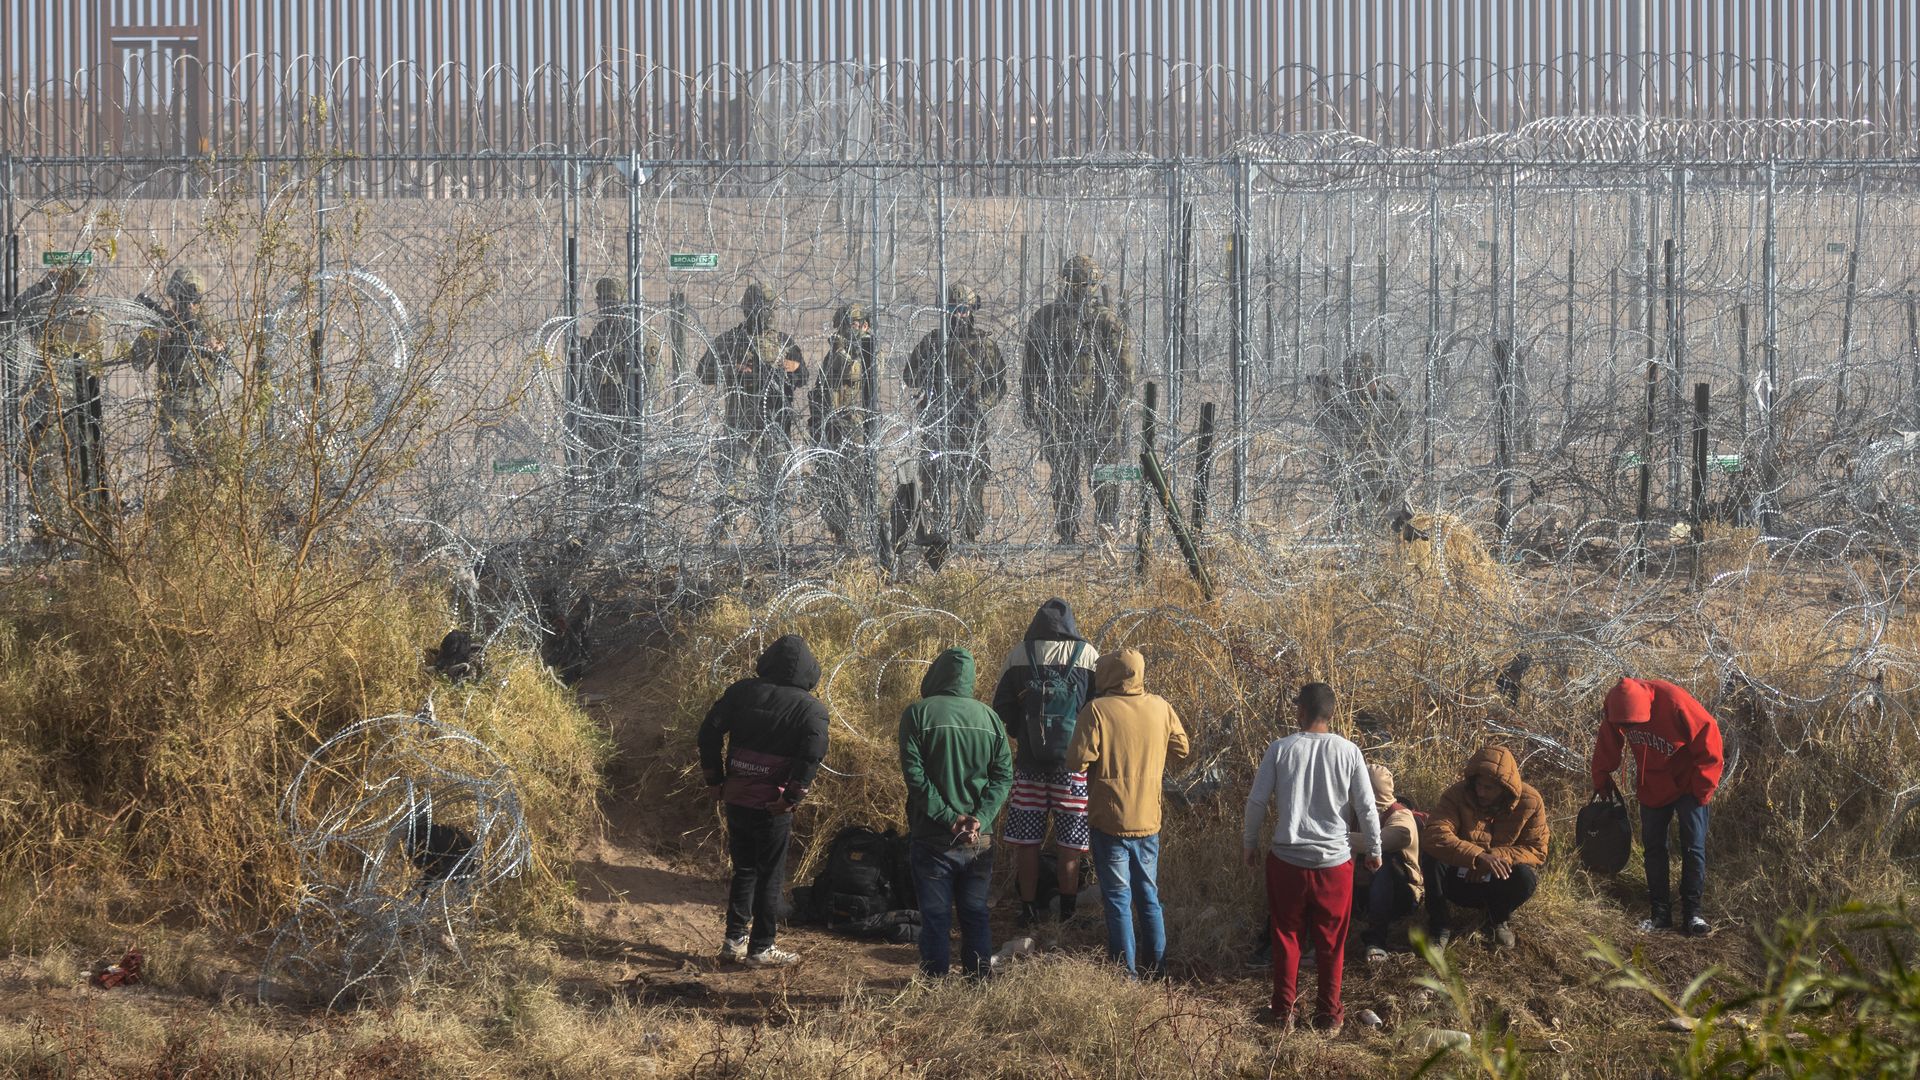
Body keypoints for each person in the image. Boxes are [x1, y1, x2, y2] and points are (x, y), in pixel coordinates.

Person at [1241, 682, 1380, 1033]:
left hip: (1286, 860)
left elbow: (1257, 801)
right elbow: (1366, 806)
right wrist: (1375, 849)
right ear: (1331, 714)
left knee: (1285, 936)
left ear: (1301, 711)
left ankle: (1283, 1012)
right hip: (1334, 864)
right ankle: (1328, 1017)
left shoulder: (1281, 749)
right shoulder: (1349, 751)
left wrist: (1250, 842)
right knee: (1331, 942)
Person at [696, 634, 830, 968]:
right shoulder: (811, 708)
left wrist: (714, 778)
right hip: (773, 803)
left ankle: (734, 940)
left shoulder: (742, 692)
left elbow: (708, 732)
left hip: (737, 795)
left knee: (744, 868)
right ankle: (762, 947)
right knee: (770, 873)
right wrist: (793, 796)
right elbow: (811, 754)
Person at [1064, 647, 1189, 976]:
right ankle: (1157, 969)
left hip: (1109, 820)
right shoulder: (1161, 707)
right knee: (1148, 895)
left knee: (1118, 898)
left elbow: (1077, 761)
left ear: (1108, 674)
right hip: (1148, 819)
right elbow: (1182, 748)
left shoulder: (1097, 710)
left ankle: (1127, 975)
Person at [898, 646, 1013, 979]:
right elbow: (1003, 775)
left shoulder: (918, 714)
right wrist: (981, 817)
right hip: (980, 837)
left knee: (935, 915)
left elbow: (915, 778)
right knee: (975, 912)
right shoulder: (990, 719)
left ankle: (934, 981)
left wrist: (950, 818)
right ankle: (978, 979)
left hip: (932, 836)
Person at [991, 597, 1100, 940]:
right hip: (1073, 766)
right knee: (1070, 841)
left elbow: (1002, 707)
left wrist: (1024, 735)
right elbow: (1098, 708)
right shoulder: (1088, 655)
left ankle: (1027, 910)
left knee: (1027, 840)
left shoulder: (1019, 653)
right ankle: (1066, 911)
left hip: (1029, 765)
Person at [1592, 676, 1725, 936]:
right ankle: (1660, 914)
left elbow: (1709, 739)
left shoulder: (1674, 701)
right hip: (1652, 783)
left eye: (1633, 724)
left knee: (1693, 846)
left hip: (1689, 784)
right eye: (1625, 725)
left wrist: (1703, 788)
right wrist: (1602, 775)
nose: (1628, 729)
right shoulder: (1616, 706)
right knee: (1653, 848)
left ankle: (1693, 914)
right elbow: (1608, 741)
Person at [1019, 255, 1135, 544]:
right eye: (1076, 283)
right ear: (1066, 282)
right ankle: (1067, 534)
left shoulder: (1106, 322)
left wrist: (1116, 410)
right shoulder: (1046, 320)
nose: (1082, 290)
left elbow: (1125, 373)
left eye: (1087, 284)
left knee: (1107, 476)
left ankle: (1107, 531)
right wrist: (1030, 406)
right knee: (1064, 477)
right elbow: (1030, 368)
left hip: (1101, 415)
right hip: (1061, 413)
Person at [905, 283, 1006, 544]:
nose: (959, 315)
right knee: (935, 481)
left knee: (971, 481)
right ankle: (939, 534)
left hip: (970, 425)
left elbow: (998, 385)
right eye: (953, 309)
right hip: (938, 423)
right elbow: (910, 376)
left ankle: (969, 535)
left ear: (972, 311)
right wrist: (930, 374)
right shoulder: (932, 342)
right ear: (945, 310)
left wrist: (981, 404)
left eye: (963, 310)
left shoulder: (984, 345)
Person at [1421, 745, 1549, 949]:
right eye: (1478, 785)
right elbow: (1435, 833)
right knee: (1432, 857)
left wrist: (1493, 858)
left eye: (1489, 788)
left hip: (1497, 880)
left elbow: (1537, 849)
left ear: (1505, 788)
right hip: (1457, 878)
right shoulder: (1456, 794)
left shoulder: (1530, 801)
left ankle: (1496, 919)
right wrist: (1476, 856)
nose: (1480, 792)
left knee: (1525, 877)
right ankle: (1439, 926)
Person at [697, 281, 806, 504]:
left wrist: (793, 368)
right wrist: (732, 370)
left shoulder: (784, 342)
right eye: (764, 308)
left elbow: (803, 376)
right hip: (740, 423)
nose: (769, 313)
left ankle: (773, 532)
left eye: (771, 308)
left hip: (773, 424)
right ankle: (726, 531)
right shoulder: (731, 340)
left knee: (775, 489)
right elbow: (702, 372)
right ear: (750, 310)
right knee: (730, 486)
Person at [16, 266, 108, 523]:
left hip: (62, 402)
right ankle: (61, 526)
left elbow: (21, 306)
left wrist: (44, 286)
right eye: (80, 287)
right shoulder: (91, 314)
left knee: (57, 465)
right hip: (63, 403)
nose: (81, 292)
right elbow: (19, 309)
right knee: (54, 464)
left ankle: (58, 526)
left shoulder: (50, 313)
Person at [132, 268, 228, 468]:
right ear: (175, 298)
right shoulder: (160, 323)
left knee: (218, 462)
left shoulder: (211, 325)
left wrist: (218, 348)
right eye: (186, 300)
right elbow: (138, 362)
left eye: (196, 301)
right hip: (175, 406)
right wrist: (155, 340)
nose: (192, 306)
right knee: (185, 464)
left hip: (207, 403)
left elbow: (231, 361)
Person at [576, 276, 661, 492]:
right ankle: (602, 519)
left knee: (633, 477)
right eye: (602, 300)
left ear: (622, 301)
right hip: (600, 419)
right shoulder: (600, 332)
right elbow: (588, 378)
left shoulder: (638, 333)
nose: (607, 305)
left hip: (628, 418)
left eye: (612, 300)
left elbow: (649, 378)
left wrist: (631, 405)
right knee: (602, 478)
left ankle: (635, 518)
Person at [808, 302, 877, 547]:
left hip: (853, 428)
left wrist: (841, 351)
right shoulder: (834, 353)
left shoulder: (866, 349)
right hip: (829, 428)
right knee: (831, 484)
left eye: (852, 324)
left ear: (865, 325)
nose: (846, 330)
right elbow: (822, 389)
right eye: (843, 326)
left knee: (861, 482)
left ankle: (881, 533)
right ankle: (841, 538)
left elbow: (853, 372)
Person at [1350, 763, 1423, 963]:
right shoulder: (1352, 813)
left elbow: (1393, 838)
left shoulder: (1400, 816)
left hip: (1400, 896)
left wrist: (1339, 838)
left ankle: (1376, 940)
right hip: (1361, 892)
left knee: (1386, 861)